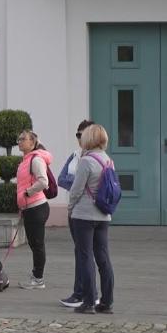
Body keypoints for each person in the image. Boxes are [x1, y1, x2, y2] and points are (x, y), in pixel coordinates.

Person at [68, 124, 115, 314]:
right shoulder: (108, 160)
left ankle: (88, 302)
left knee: (85, 256)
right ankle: (107, 301)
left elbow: (77, 190)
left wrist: (70, 208)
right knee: (103, 257)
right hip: (103, 214)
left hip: (84, 214)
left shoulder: (86, 161)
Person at [57, 119, 96, 308]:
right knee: (81, 252)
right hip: (75, 209)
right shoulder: (75, 155)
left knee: (88, 253)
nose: (80, 138)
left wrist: (78, 184)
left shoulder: (95, 158)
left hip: (87, 211)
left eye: (83, 135)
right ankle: (81, 292)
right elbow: (61, 179)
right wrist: (77, 182)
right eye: (77, 135)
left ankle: (85, 293)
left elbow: (90, 184)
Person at [15, 129, 53, 289]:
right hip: (29, 207)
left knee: (37, 244)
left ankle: (38, 279)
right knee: (34, 244)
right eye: (19, 138)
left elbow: (44, 182)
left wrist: (28, 192)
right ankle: (36, 275)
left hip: (37, 207)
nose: (19, 141)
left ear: (32, 143)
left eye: (23, 139)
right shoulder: (26, 160)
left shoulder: (36, 160)